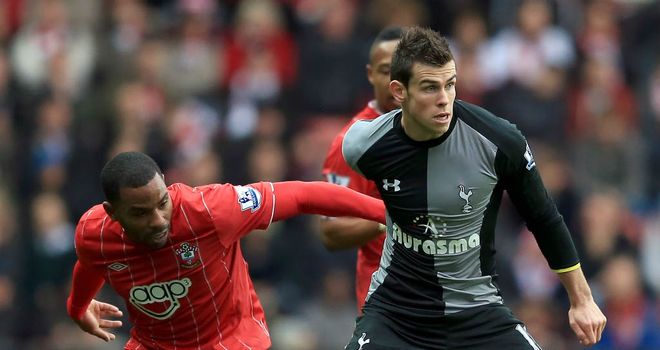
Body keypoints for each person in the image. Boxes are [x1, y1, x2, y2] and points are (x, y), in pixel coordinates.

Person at [342, 27, 606, 349]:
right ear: (399, 91)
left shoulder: (498, 142)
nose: (444, 100)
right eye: (429, 87)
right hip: (396, 314)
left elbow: (543, 217)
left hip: (477, 311)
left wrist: (582, 300)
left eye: (450, 85)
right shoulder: (363, 145)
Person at [66, 151, 385, 349]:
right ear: (112, 212)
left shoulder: (210, 210)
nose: (158, 220)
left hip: (229, 340)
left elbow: (302, 195)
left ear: (165, 184)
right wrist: (78, 308)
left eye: (162, 203)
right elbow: (91, 262)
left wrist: (387, 211)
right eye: (140, 213)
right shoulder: (94, 233)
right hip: (155, 344)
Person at [320, 26, 402, 312]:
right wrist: (393, 218)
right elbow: (332, 231)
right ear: (370, 74)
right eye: (385, 70)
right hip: (387, 298)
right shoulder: (352, 143)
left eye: (403, 71)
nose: (395, 81)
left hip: (443, 291)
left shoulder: (443, 128)